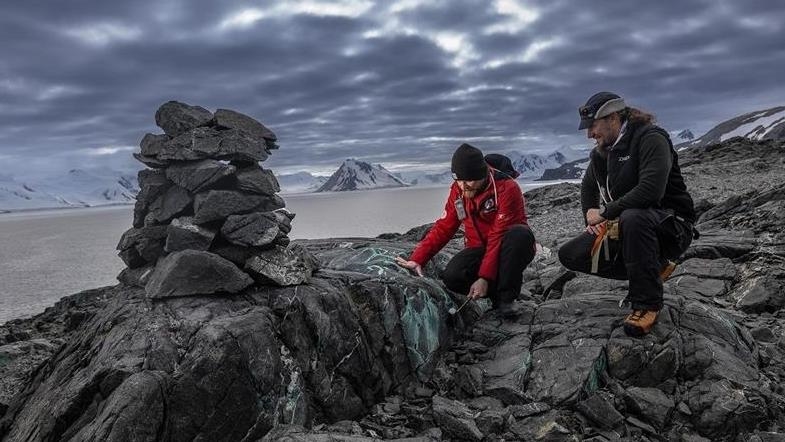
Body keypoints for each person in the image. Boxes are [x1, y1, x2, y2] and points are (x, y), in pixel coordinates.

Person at [558, 92, 696, 336]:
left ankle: (647, 303)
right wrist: (588, 215)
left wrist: (605, 212)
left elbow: (650, 191)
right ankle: (653, 268)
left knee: (634, 216)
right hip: (630, 229)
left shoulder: (650, 138)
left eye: (592, 126)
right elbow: (588, 185)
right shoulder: (603, 150)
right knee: (570, 254)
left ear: (612, 118)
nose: (589, 134)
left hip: (671, 226)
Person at [396, 143, 536, 316]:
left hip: (509, 247)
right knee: (452, 276)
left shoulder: (507, 188)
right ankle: (493, 291)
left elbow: (497, 236)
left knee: (518, 235)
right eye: (459, 180)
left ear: (483, 174)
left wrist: (484, 278)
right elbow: (445, 226)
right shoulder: (459, 189)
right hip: (479, 248)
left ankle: (506, 299)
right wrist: (418, 259)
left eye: (469, 180)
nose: (464, 186)